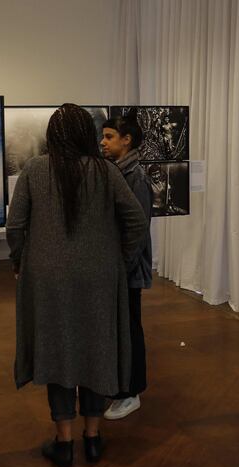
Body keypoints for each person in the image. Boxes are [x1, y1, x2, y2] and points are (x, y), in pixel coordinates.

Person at [6, 104, 147, 467]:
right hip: (100, 277)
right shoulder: (106, 172)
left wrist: (21, 262)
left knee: (58, 356)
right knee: (97, 350)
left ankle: (64, 443)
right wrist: (121, 261)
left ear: (53, 134)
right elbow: (136, 222)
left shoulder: (36, 170)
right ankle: (94, 437)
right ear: (88, 133)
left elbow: (15, 225)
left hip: (49, 279)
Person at [100, 112, 152, 420]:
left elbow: (137, 229)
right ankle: (123, 387)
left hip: (127, 270)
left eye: (109, 137)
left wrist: (122, 266)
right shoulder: (119, 172)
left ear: (126, 140)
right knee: (122, 327)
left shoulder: (135, 178)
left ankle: (131, 392)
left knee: (130, 328)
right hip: (118, 267)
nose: (103, 142)